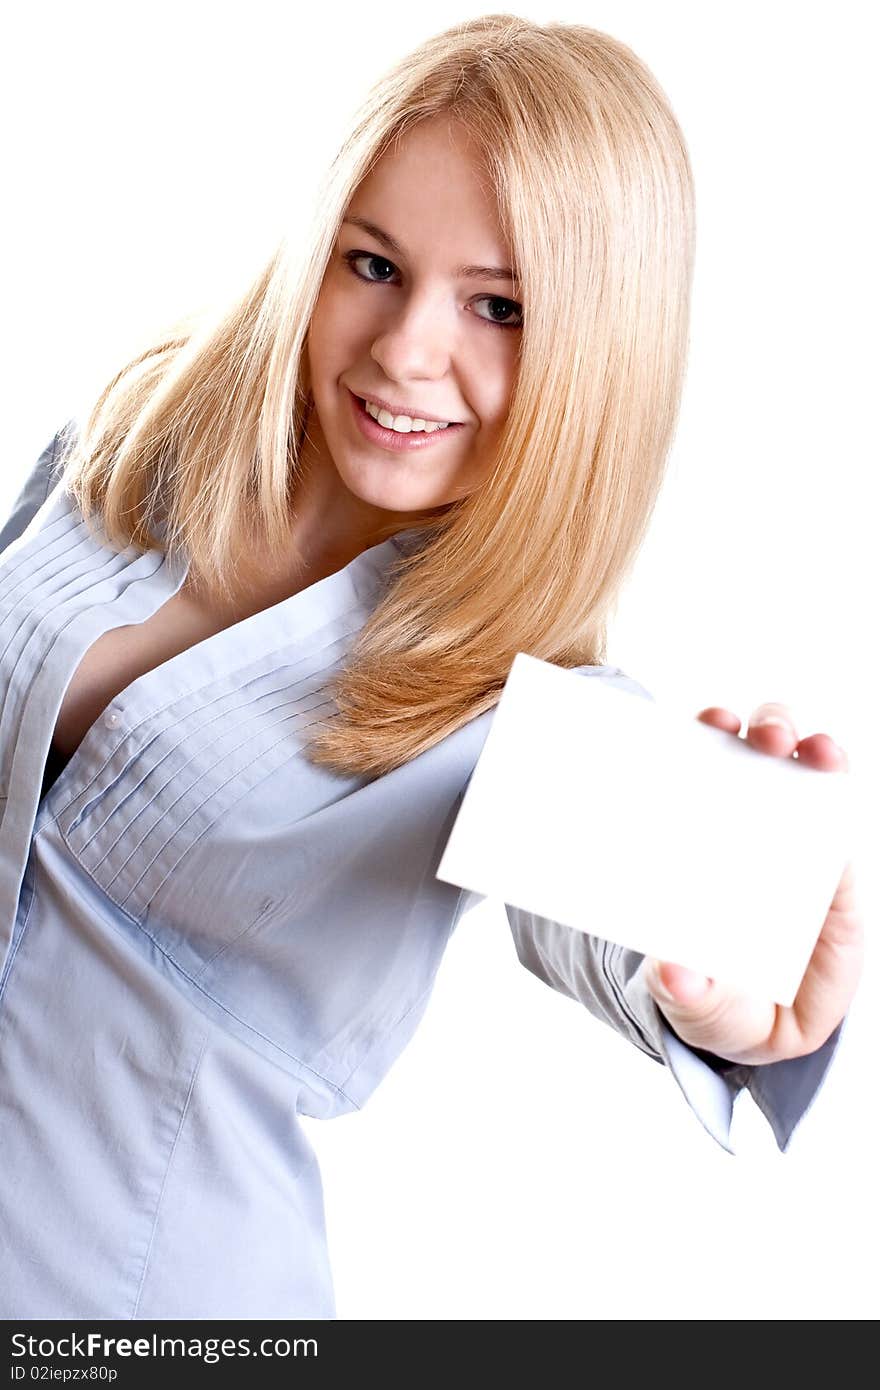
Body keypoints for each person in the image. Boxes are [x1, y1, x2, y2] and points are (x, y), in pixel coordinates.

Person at [0, 14, 861, 1320]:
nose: (407, 350)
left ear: (595, 348)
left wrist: (728, 995)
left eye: (499, 307)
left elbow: (638, 941)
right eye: (373, 264)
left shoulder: (516, 707)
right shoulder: (126, 445)